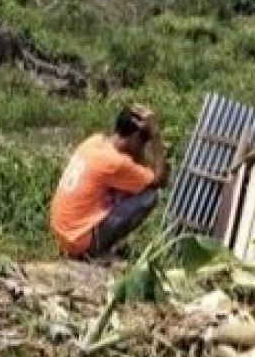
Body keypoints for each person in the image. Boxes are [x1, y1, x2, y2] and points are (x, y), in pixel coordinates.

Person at [49, 104, 170, 260]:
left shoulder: (95, 141)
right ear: (134, 138)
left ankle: (89, 244)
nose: (143, 149)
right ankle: (97, 251)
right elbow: (160, 179)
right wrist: (155, 135)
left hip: (63, 233)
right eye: (143, 143)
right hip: (79, 241)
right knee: (149, 196)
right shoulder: (116, 163)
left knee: (130, 187)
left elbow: (139, 168)